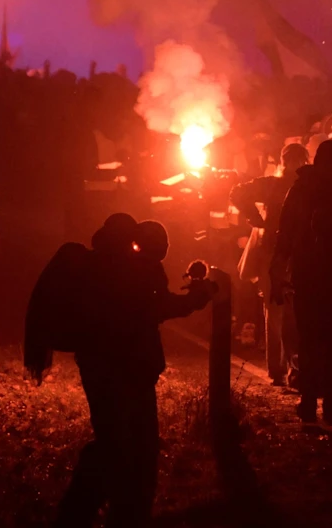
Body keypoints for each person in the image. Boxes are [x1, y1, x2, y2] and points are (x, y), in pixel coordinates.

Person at [56, 215, 213, 527]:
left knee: (113, 439)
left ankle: (88, 511)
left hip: (98, 365)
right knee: (132, 446)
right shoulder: (138, 268)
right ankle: (107, 512)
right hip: (131, 370)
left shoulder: (101, 266)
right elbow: (158, 307)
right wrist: (195, 299)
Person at [271, 139, 332, 424]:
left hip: (312, 276)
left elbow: (284, 234)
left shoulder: (304, 188)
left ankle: (310, 402)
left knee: (311, 341)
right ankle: (327, 405)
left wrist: (277, 272)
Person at [230, 143, 310, 387]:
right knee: (283, 312)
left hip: (287, 253)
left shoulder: (284, 185)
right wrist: (256, 219)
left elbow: (238, 192)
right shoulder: (286, 185)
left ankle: (283, 368)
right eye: (293, 159)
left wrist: (256, 219)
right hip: (282, 253)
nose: (295, 164)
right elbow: (238, 193)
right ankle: (284, 368)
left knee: (280, 312)